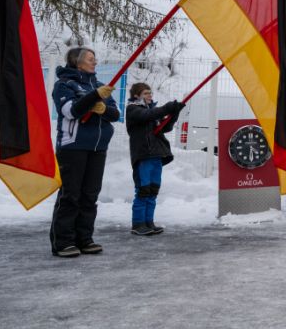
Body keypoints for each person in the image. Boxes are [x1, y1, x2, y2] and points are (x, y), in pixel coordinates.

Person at [49, 47, 119, 258]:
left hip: (98, 148)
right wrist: (93, 98)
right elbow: (71, 111)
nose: (95, 62)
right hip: (73, 147)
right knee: (71, 195)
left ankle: (84, 238)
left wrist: (103, 108)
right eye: (90, 59)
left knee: (89, 196)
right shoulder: (64, 85)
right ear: (77, 63)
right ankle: (63, 242)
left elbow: (115, 114)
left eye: (94, 59)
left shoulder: (99, 86)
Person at [125, 83, 185, 235]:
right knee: (143, 190)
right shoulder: (133, 109)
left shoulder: (152, 111)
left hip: (156, 155)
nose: (150, 96)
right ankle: (138, 224)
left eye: (150, 93)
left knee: (153, 190)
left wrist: (174, 114)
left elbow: (165, 127)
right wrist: (167, 108)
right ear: (137, 95)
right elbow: (147, 116)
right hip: (143, 156)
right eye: (146, 93)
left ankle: (148, 222)